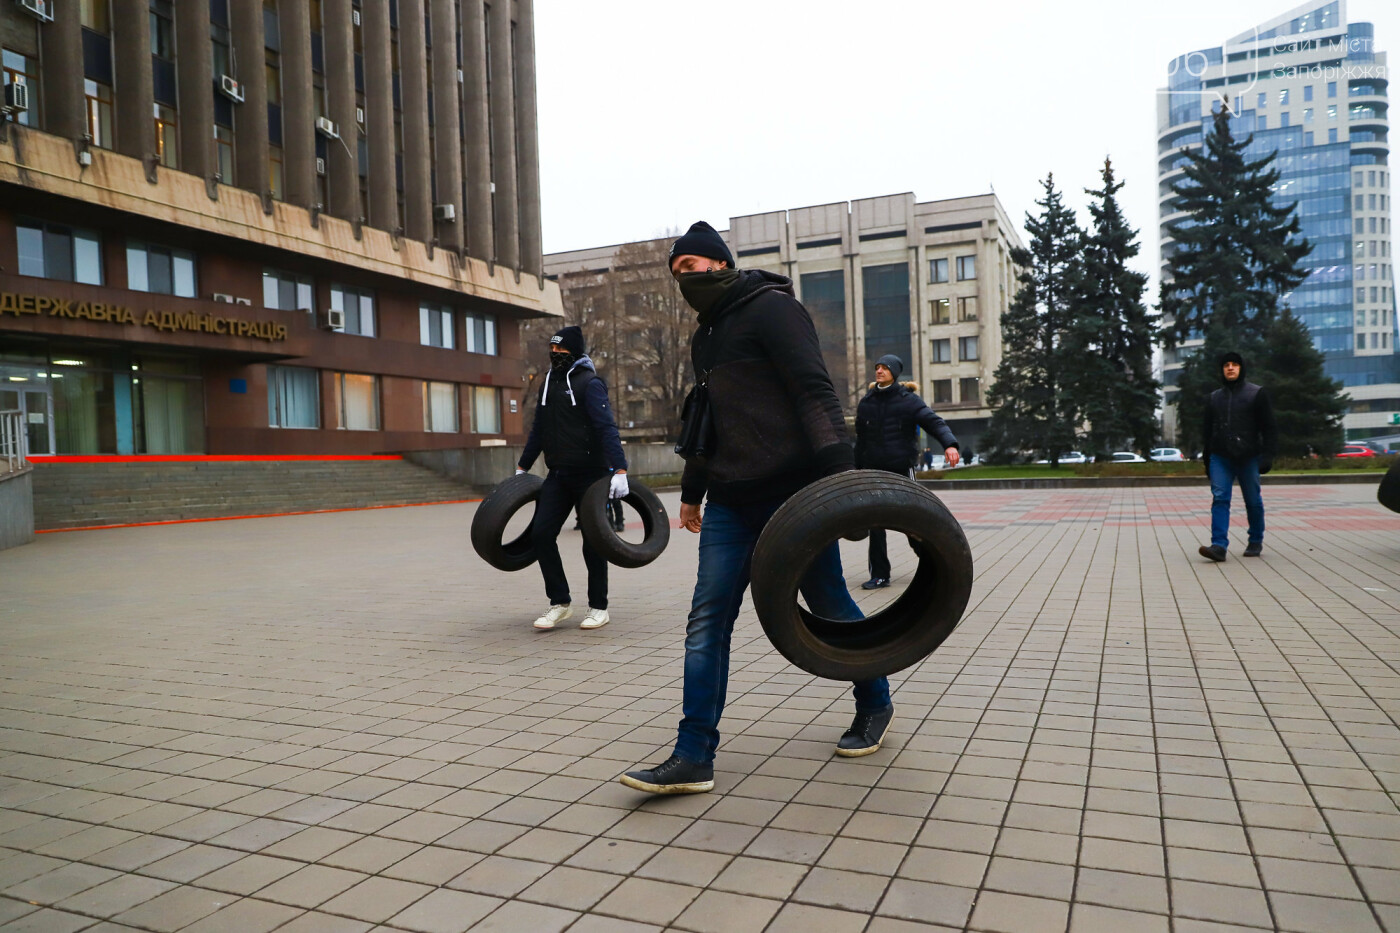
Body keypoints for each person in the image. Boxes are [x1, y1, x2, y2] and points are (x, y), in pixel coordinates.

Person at [620, 221, 894, 795]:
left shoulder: (773, 310)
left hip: (792, 497)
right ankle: (693, 754)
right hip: (730, 502)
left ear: (719, 263)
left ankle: (874, 702)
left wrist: (842, 484)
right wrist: (693, 490)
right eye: (676, 274)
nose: (682, 280)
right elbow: (705, 420)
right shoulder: (706, 335)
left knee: (830, 606)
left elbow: (815, 393)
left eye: (688, 268)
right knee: (707, 621)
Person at [516, 326, 629, 629]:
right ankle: (560, 602)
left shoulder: (590, 383)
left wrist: (619, 469)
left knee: (593, 541)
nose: (556, 356)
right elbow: (538, 429)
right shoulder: (548, 384)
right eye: (553, 352)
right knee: (541, 534)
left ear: (575, 352)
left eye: (562, 352)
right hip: (558, 474)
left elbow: (607, 427)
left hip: (592, 476)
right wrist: (522, 467)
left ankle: (598, 607)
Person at [854, 354, 960, 589]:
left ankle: (935, 565)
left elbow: (935, 423)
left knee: (913, 522)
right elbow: (860, 440)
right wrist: (856, 469)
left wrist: (950, 445)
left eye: (884, 368)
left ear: (894, 372)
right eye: (877, 367)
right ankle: (880, 574)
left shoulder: (908, 400)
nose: (879, 371)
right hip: (873, 469)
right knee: (876, 524)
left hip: (901, 468)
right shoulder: (867, 402)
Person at [1198, 351, 1276, 562]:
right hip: (1220, 456)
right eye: (1226, 365)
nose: (1230, 368)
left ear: (1241, 368)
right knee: (1220, 498)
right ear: (1222, 370)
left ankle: (1255, 540)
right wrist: (1207, 460)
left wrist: (1267, 455)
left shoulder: (1256, 394)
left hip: (1249, 456)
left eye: (1234, 365)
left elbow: (1269, 427)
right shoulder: (1214, 398)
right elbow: (1207, 431)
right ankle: (1219, 546)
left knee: (1253, 500)